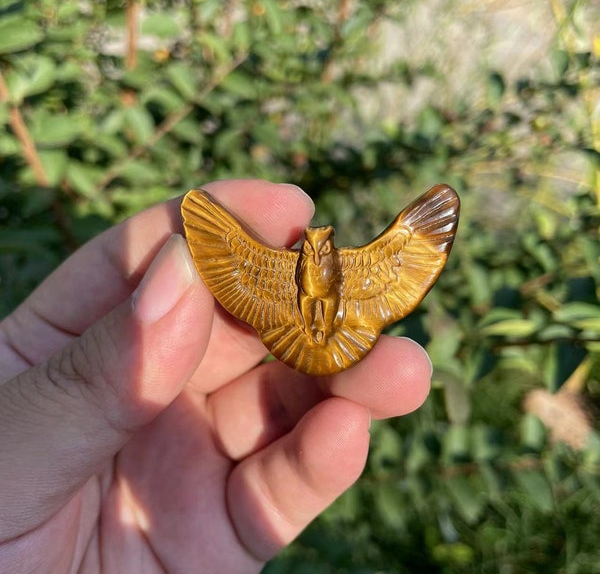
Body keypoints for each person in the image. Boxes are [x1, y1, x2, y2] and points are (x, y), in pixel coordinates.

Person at [0, 179, 432, 572]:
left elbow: (416, 246)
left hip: (344, 337)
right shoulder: (271, 271)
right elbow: (220, 247)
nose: (317, 253)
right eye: (312, 248)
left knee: (352, 419)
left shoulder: (365, 269)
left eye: (322, 248)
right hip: (286, 337)